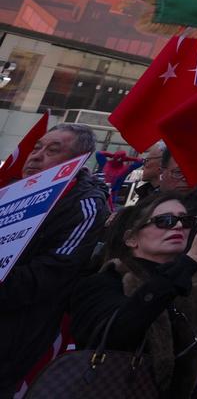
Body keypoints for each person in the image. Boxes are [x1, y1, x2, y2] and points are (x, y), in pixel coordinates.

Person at [68, 195, 197, 399]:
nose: (178, 227)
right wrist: (192, 258)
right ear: (131, 238)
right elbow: (117, 332)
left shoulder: (196, 280)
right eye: (165, 221)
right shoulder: (105, 280)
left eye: (185, 221)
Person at [0, 123, 108, 398]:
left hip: (17, 334)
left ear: (77, 161)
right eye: (37, 147)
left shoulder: (84, 205)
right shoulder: (10, 193)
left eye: (53, 150)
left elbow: (51, 274)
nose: (36, 155)